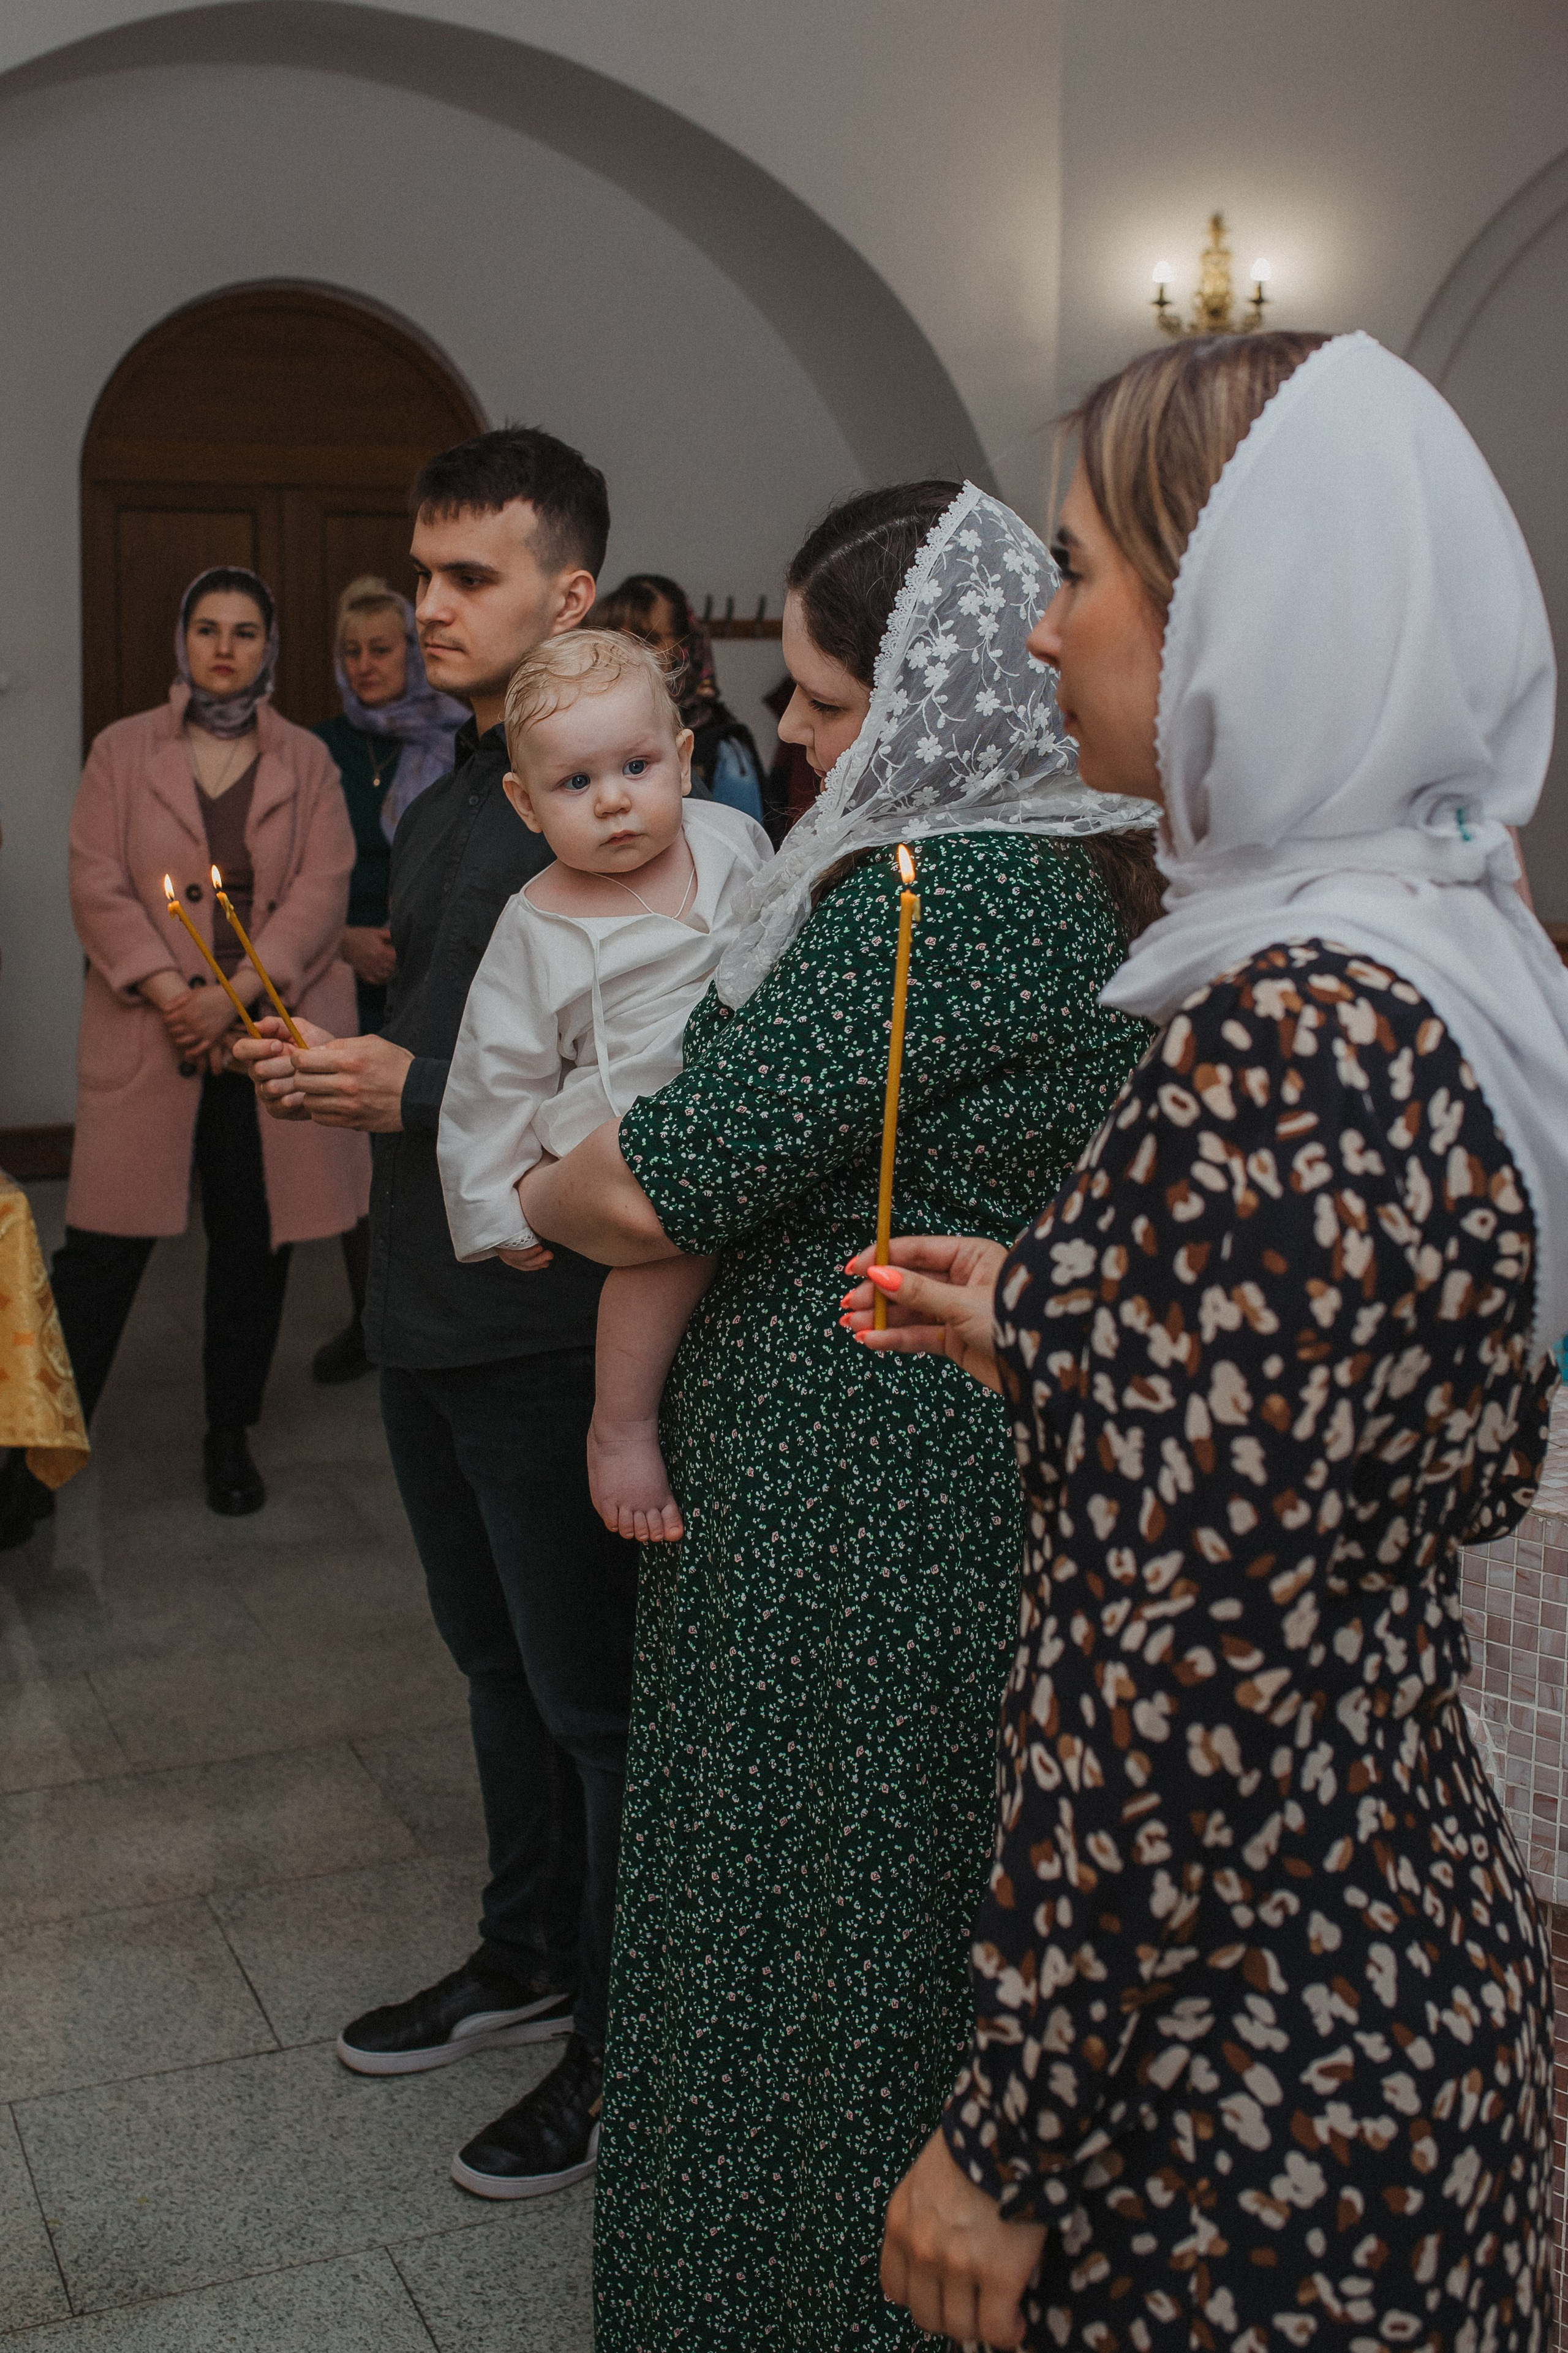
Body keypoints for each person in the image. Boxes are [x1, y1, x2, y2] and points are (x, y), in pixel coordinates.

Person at [853, 333, 1562, 2351]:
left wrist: (1009, 2133)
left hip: (1258, 2036)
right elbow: (1431, 1453)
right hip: (1398, 1934)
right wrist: (1080, 1336)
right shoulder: (1438, 961)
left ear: (1231, 611)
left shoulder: (1293, 1038)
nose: (1045, 619)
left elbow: (1167, 1674)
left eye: (1080, 566)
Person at [516, 481, 1163, 2349]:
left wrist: (551, 1186)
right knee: (901, 1916)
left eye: (818, 697)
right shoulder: (1103, 861)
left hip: (846, 1508)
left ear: (935, 687)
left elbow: (664, 1182)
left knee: (800, 1941)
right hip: (953, 1471)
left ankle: (782, 2298)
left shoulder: (935, 890)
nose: (785, 735)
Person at [235, 427, 638, 2204]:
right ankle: (526, 1945)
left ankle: (619, 2042)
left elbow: (619, 1088)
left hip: (546, 1325)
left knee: (589, 1696)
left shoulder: (603, 801)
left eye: (470, 577)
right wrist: (366, 1072)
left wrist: (384, 1090)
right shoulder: (457, 793)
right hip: (427, 1307)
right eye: (422, 572)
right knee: (490, 1668)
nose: (428, 605)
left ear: (569, 592)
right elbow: (464, 1034)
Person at [18, 566, 366, 1521]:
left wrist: (234, 999)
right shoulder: (122, 750)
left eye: (245, 631)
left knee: (253, 1248)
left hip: (264, 1032)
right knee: (100, 1252)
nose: (224, 647)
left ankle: (229, 1434)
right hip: (153, 1026)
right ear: (183, 642)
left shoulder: (308, 759)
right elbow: (96, 880)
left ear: (270, 646)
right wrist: (177, 992)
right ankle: (33, 1455)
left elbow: (322, 893)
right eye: (208, 628)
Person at [436, 629, 771, 1541]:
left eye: (636, 765)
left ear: (684, 757)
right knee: (662, 1255)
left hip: (750, 1090)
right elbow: (492, 1070)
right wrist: (494, 1204)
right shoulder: (537, 920)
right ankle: (620, 1427)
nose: (616, 802)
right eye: (576, 784)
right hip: (631, 1116)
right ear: (525, 802)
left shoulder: (735, 840)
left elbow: (793, 934)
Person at [311, 575, 466, 1385]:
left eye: (382, 648)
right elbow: (291, 876)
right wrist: (338, 942)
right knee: (356, 1157)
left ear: (412, 651)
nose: (367, 665)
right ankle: (366, 1317)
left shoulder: (456, 737)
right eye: (352, 652)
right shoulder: (318, 748)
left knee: (426, 1136)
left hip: (433, 970)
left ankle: (427, 1303)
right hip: (339, 967)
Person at [589, 571, 767, 822]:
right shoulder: (586, 734)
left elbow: (743, 850)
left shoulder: (724, 754)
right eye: (616, 640)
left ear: (685, 647)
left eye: (647, 640)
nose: (627, 654)